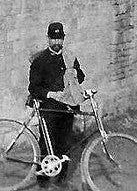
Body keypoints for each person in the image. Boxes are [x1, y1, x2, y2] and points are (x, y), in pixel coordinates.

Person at [28, 21, 85, 183]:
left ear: (63, 39)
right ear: (48, 39)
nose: (57, 43)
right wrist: (51, 94)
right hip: (49, 108)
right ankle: (43, 181)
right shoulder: (40, 61)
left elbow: (81, 76)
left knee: (65, 143)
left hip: (68, 107)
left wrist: (74, 73)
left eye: (60, 39)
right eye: (53, 39)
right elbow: (34, 88)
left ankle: (61, 180)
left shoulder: (69, 57)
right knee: (46, 144)